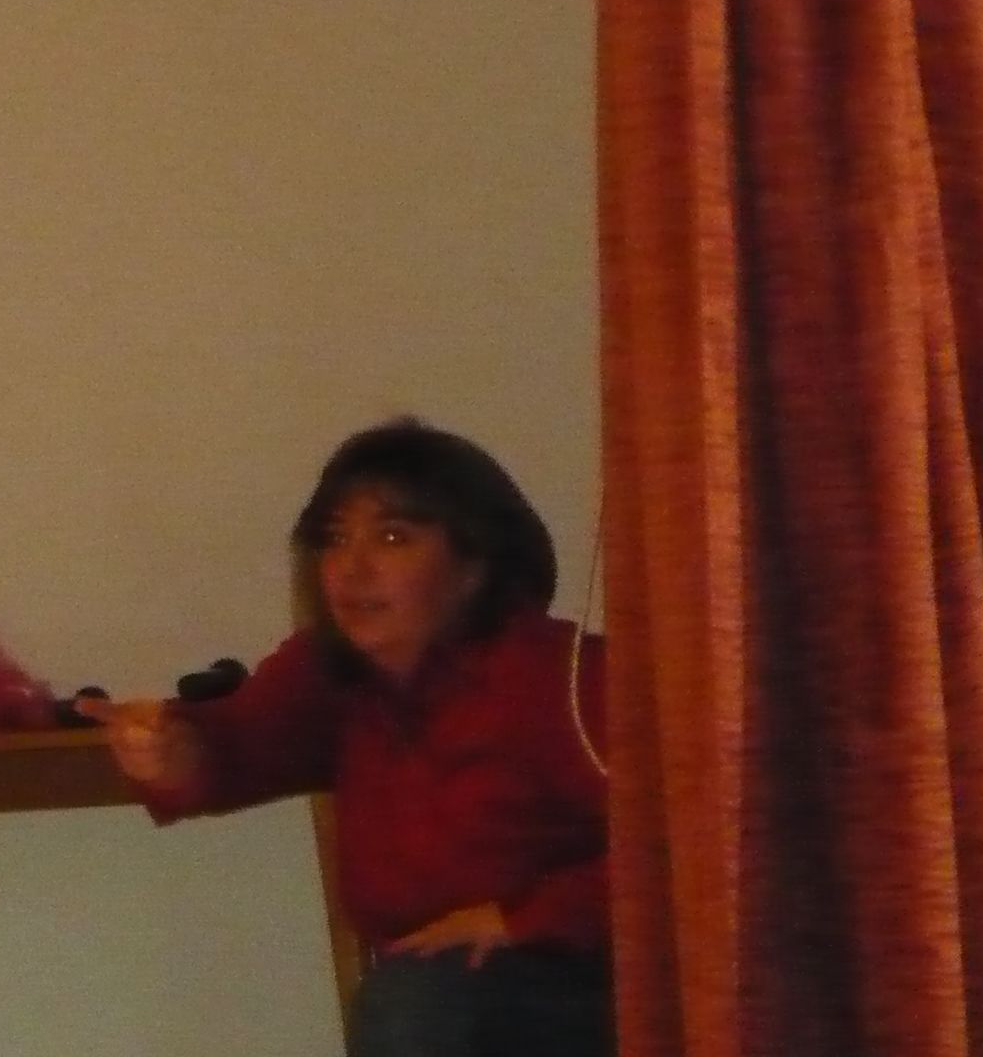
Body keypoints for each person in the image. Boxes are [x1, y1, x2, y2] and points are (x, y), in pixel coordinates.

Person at [81, 419, 610, 1057]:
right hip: (432, 993)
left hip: (588, 975)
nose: (352, 570)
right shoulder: (328, 674)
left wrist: (524, 919)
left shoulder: (555, 674)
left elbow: (686, 846)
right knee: (411, 1000)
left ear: (474, 565)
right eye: (334, 540)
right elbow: (236, 745)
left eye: (392, 537)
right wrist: (167, 750)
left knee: (413, 1005)